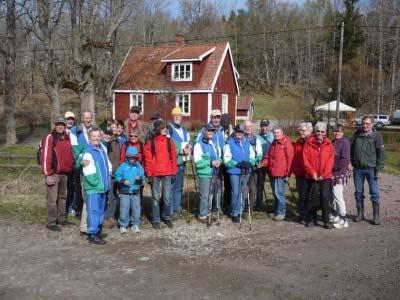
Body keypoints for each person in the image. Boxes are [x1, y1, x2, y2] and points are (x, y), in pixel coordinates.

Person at [350, 115, 385, 225]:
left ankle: (376, 217)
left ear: (372, 124)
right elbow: (349, 148)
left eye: (367, 123)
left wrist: (379, 169)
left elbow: (381, 154)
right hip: (358, 169)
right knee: (358, 192)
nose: (365, 125)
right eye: (363, 123)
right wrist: (349, 162)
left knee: (374, 193)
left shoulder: (377, 136)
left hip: (371, 169)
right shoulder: (357, 134)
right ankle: (360, 214)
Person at [144, 120, 177, 229]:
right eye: (163, 128)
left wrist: (174, 171)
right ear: (157, 129)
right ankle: (156, 219)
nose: (165, 129)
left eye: (166, 128)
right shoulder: (151, 142)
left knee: (167, 197)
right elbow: (147, 160)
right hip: (154, 174)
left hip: (167, 173)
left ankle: (167, 217)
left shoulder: (169, 141)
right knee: (155, 198)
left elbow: (173, 157)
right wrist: (148, 173)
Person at [80, 128, 112, 245]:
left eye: (98, 136)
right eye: (94, 136)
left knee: (100, 210)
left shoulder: (101, 150)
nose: (96, 138)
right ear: (89, 138)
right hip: (94, 188)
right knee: (93, 211)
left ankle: (97, 231)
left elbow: (107, 166)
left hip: (102, 187)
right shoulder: (89, 151)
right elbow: (88, 172)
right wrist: (96, 183)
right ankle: (92, 234)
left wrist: (106, 181)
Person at [43, 116, 75, 231]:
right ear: (54, 125)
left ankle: (61, 218)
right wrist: (48, 174)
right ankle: (51, 222)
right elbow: (46, 156)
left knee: (63, 197)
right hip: (54, 173)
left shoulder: (67, 137)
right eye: (58, 124)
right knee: (52, 199)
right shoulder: (50, 137)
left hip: (65, 173)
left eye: (62, 124)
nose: (60, 126)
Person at [302, 122, 334, 229]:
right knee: (312, 198)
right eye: (318, 131)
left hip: (325, 176)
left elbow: (330, 161)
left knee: (325, 197)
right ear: (315, 132)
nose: (320, 133)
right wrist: (313, 173)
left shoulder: (329, 144)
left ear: (325, 132)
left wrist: (323, 174)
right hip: (312, 176)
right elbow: (305, 160)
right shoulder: (309, 143)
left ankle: (326, 220)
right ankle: (311, 219)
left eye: (322, 131)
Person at [223, 125, 256, 223]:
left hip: (245, 171)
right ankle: (235, 213)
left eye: (241, 132)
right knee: (236, 192)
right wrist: (236, 163)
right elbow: (226, 159)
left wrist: (250, 163)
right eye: (238, 131)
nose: (239, 133)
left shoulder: (247, 143)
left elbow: (252, 155)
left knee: (242, 192)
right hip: (234, 171)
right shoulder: (229, 143)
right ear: (235, 132)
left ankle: (240, 211)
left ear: (243, 133)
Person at [261, 126, 294, 221]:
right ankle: (276, 210)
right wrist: (263, 163)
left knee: (279, 193)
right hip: (272, 172)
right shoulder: (273, 144)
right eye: (274, 133)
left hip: (281, 173)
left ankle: (281, 212)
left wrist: (288, 174)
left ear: (282, 133)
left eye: (278, 132)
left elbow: (290, 159)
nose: (276, 134)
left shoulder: (286, 143)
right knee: (275, 193)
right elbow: (267, 157)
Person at [194, 124, 221, 223]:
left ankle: (207, 212)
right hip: (204, 174)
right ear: (204, 131)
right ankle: (202, 215)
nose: (211, 132)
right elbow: (198, 162)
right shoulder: (198, 145)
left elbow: (216, 156)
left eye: (212, 131)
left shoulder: (212, 143)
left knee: (210, 194)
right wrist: (211, 163)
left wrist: (218, 161)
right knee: (204, 195)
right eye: (209, 130)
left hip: (213, 173)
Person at [115, 146, 145, 234]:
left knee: (136, 208)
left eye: (134, 157)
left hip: (135, 191)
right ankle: (123, 225)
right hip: (125, 192)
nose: (132, 159)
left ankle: (135, 224)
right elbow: (117, 175)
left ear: (136, 157)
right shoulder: (123, 166)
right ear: (127, 157)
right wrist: (123, 181)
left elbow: (143, 178)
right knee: (124, 208)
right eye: (130, 157)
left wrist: (139, 179)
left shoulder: (139, 167)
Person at [168, 107, 191, 218]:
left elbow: (188, 143)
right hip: (172, 163)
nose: (177, 117)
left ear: (181, 117)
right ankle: (170, 209)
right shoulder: (169, 129)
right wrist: (181, 150)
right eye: (175, 115)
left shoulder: (184, 130)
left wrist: (189, 147)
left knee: (179, 186)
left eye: (179, 115)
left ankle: (177, 207)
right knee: (171, 187)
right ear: (172, 117)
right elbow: (168, 146)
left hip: (182, 162)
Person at [291, 122, 313, 223]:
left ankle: (307, 216)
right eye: (300, 130)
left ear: (310, 130)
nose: (302, 132)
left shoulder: (312, 142)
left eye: (304, 130)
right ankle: (301, 214)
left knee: (307, 195)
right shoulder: (298, 142)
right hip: (299, 172)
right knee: (301, 195)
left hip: (308, 173)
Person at [332, 124, 351, 229]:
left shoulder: (345, 142)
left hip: (339, 173)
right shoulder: (333, 141)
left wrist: (334, 167)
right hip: (331, 173)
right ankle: (337, 215)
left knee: (338, 196)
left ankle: (344, 219)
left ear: (343, 132)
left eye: (339, 131)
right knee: (334, 196)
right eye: (335, 131)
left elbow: (344, 159)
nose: (337, 133)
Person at [101, 129, 120, 228]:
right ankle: (104, 218)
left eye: (110, 135)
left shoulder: (114, 143)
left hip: (114, 173)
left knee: (112, 197)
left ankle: (110, 216)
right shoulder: (101, 144)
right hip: (105, 174)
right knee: (107, 197)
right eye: (106, 134)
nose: (108, 136)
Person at [254, 119, 274, 211]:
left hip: (271, 164)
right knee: (260, 185)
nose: (264, 128)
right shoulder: (256, 137)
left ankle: (275, 205)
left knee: (274, 185)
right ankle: (259, 205)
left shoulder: (273, 136)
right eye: (262, 126)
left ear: (269, 126)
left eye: (265, 126)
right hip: (261, 164)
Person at [244, 120, 263, 213]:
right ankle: (242, 207)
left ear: (252, 128)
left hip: (253, 168)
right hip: (243, 167)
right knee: (243, 189)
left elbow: (259, 153)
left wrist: (256, 160)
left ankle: (250, 208)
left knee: (252, 189)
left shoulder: (256, 139)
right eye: (246, 126)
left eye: (249, 126)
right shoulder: (240, 137)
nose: (247, 128)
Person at [64, 111, 77, 217]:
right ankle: (62, 207)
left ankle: (70, 207)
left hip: (72, 165)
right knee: (62, 188)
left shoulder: (74, 132)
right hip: (62, 165)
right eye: (68, 119)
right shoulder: (60, 132)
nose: (70, 121)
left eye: (72, 119)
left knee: (72, 187)